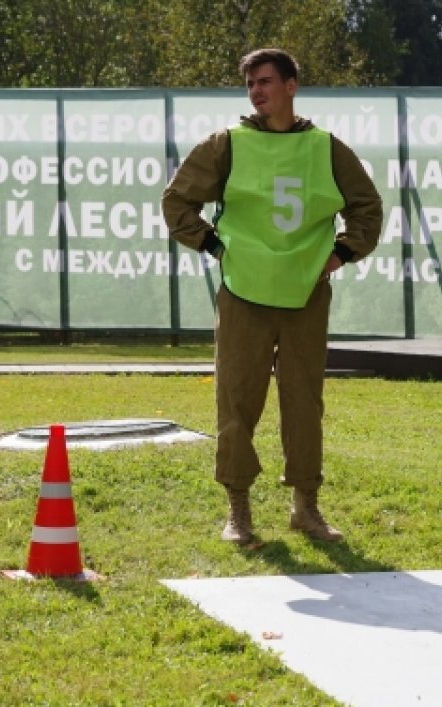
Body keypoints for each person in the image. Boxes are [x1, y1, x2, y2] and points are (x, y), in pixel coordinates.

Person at [162, 48, 383, 545]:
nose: (257, 92)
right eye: (250, 85)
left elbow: (367, 208)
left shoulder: (325, 148)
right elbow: (177, 201)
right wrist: (214, 244)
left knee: (304, 401)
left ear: (291, 85)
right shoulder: (227, 145)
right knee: (237, 401)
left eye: (265, 82)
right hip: (244, 294)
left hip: (306, 294)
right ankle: (238, 511)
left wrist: (341, 254)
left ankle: (306, 507)